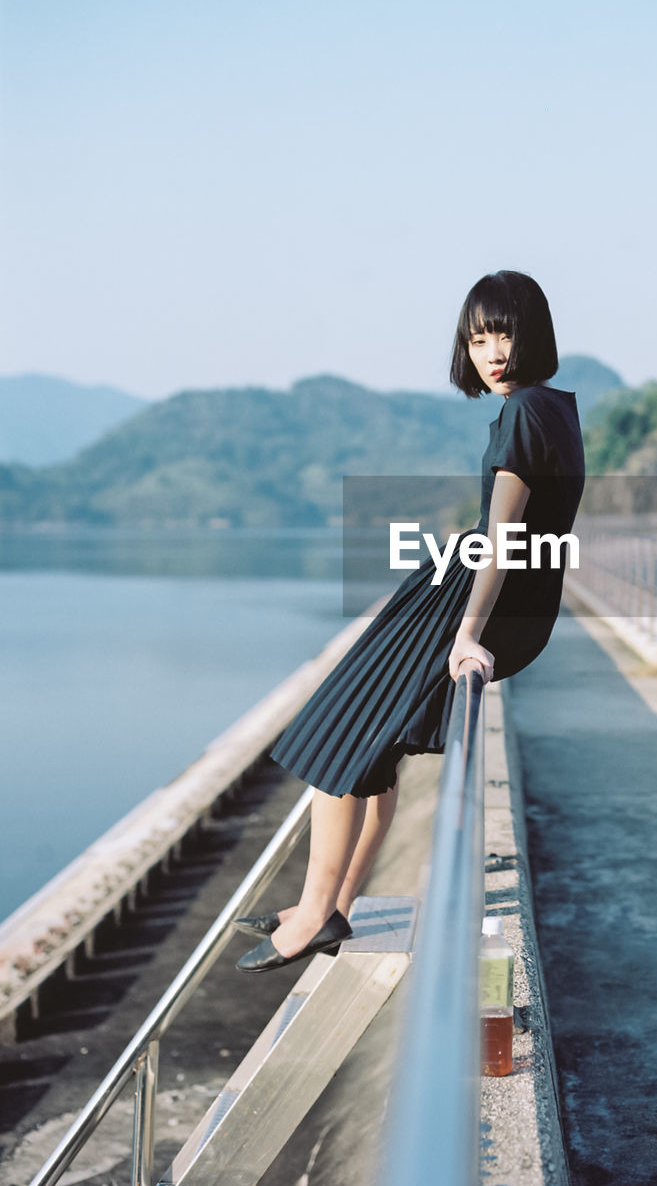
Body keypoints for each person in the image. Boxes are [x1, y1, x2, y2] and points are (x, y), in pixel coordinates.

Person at [235, 270, 585, 971]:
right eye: (477, 337)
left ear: (532, 336)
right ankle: (331, 906)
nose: (490, 352)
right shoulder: (555, 408)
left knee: (333, 738)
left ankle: (313, 913)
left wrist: (465, 633)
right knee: (370, 750)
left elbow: (501, 538)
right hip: (508, 605)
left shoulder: (521, 414)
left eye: (504, 334)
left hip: (467, 601)